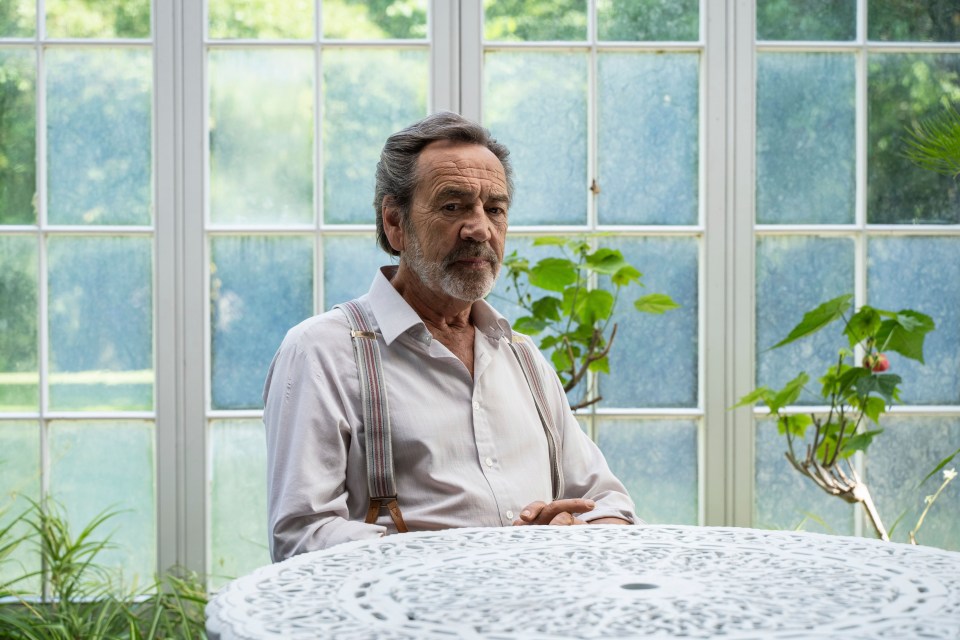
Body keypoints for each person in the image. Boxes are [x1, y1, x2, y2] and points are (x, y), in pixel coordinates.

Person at [263, 111, 638, 561]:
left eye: (494, 209)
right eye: (452, 206)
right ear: (394, 224)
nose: (480, 229)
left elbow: (612, 506)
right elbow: (301, 538)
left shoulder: (522, 357)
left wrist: (574, 529)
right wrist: (472, 560)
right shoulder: (321, 352)